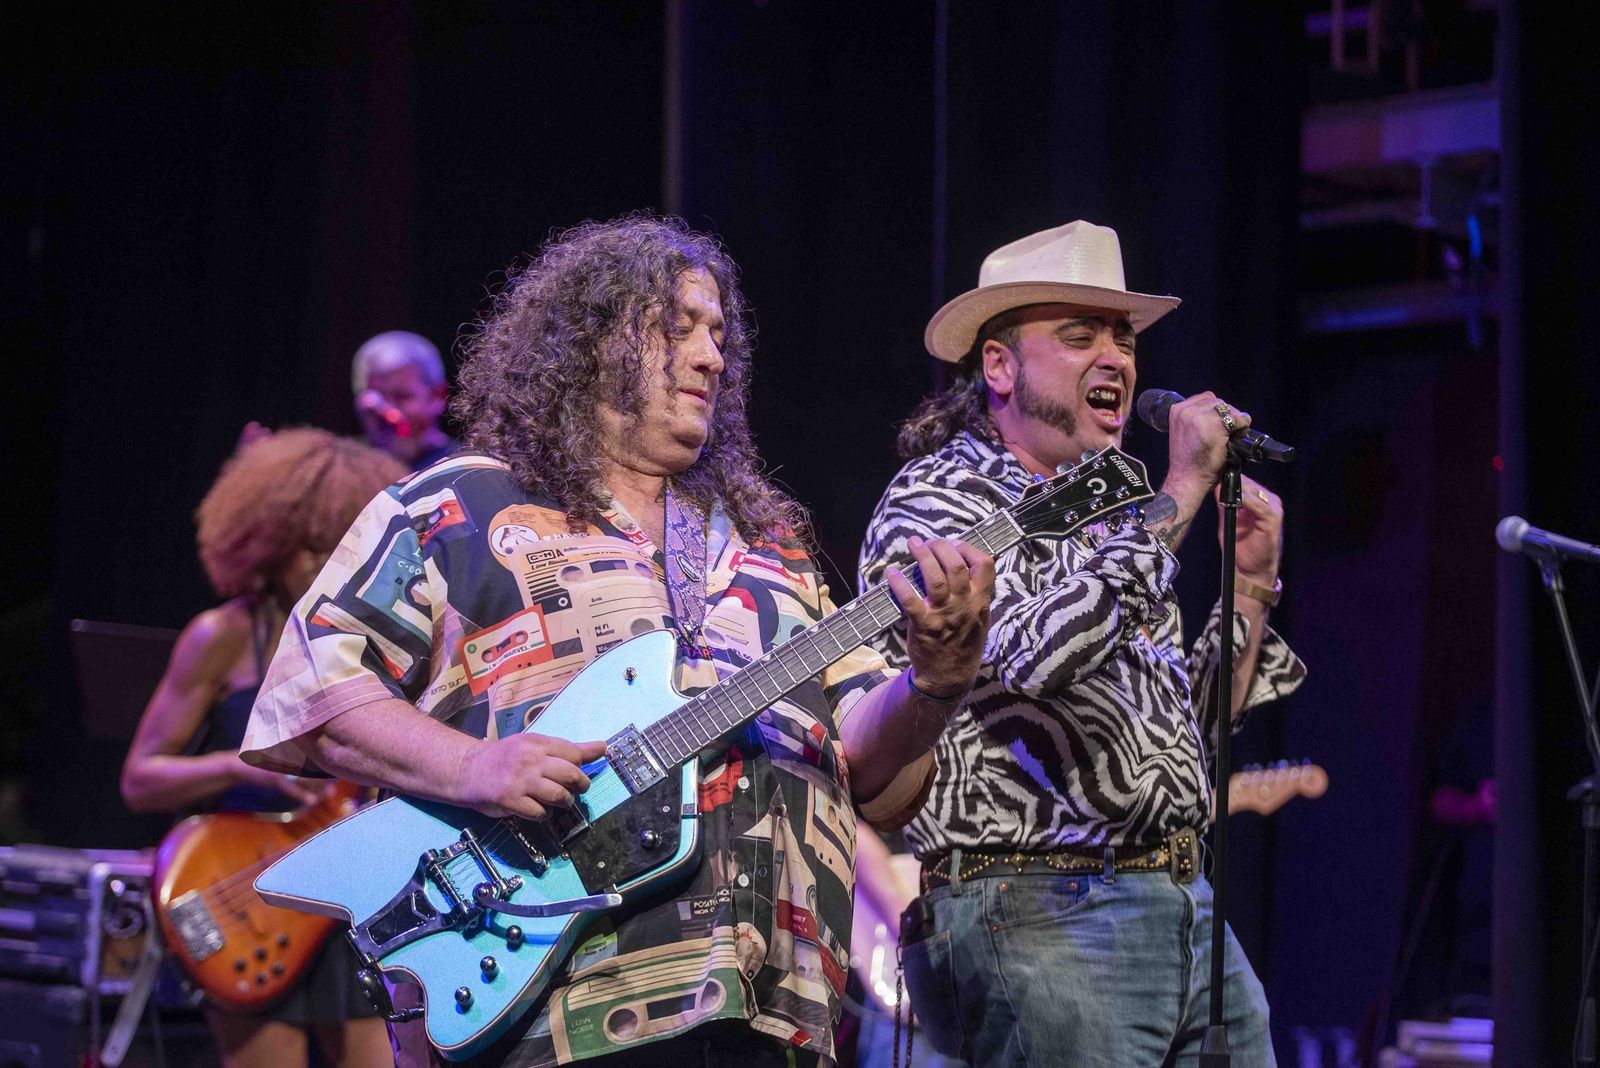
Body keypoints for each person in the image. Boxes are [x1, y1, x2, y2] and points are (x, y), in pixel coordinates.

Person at [241, 215, 993, 1068]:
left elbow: (869, 759)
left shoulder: (771, 545)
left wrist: (936, 682)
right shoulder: (459, 508)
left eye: (719, 336)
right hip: (549, 1002)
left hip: (774, 1006)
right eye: (679, 329)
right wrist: (472, 766)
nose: (712, 358)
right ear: (596, 342)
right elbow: (312, 689)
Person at [858, 220, 1307, 1067]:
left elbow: (1189, 740)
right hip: (1037, 908)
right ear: (999, 366)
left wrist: (1248, 589)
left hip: (1182, 901)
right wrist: (1182, 491)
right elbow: (1038, 660)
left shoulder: (1115, 511)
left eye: (1123, 338)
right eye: (1080, 335)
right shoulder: (939, 499)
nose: (1115, 358)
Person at [121, 428, 405, 1068]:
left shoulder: (375, 640)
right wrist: (239, 765)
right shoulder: (219, 637)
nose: (323, 562)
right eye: (309, 547)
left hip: (350, 895)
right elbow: (140, 778)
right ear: (267, 542)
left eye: (337, 545)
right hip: (251, 897)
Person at [351, 329, 458, 470]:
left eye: (402, 397)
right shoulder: (346, 466)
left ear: (438, 395)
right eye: (378, 397)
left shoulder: (463, 467)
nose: (386, 411)